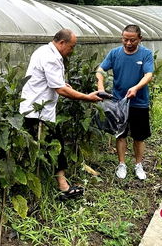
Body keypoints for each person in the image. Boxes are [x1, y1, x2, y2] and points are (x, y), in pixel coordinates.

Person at [20, 28, 101, 200]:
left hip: (33, 108)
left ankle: (48, 184)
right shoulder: (51, 57)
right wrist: (87, 97)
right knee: (54, 147)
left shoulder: (43, 50)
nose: (72, 51)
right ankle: (59, 187)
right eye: (71, 47)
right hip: (38, 112)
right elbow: (60, 90)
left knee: (42, 146)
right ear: (62, 43)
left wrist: (63, 83)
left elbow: (48, 79)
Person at [95, 24, 154, 180]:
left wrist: (136, 87)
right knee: (120, 134)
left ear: (139, 39)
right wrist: (100, 85)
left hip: (139, 102)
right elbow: (100, 70)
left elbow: (148, 75)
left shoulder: (146, 54)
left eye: (132, 40)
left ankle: (138, 165)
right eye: (125, 39)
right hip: (119, 102)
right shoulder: (114, 54)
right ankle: (122, 164)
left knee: (139, 136)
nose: (128, 43)